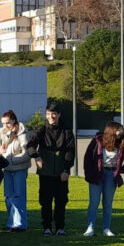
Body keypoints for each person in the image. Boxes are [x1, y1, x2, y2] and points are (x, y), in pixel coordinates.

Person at [27, 101, 75, 236]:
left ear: (58, 115)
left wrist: (66, 169)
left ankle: (60, 227)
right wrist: (36, 157)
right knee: (45, 200)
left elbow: (71, 151)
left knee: (61, 200)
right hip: (46, 172)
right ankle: (46, 227)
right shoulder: (41, 129)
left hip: (61, 172)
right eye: (48, 114)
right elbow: (30, 145)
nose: (51, 117)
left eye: (53, 114)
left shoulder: (66, 130)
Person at [82, 121, 124, 237]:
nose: (120, 132)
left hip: (111, 175)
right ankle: (90, 227)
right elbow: (87, 158)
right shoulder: (97, 140)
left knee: (108, 203)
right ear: (110, 130)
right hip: (96, 175)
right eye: (118, 130)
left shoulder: (123, 142)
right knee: (94, 202)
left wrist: (122, 169)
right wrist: (89, 173)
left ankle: (106, 228)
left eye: (121, 130)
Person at [0, 110, 30, 232]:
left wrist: (12, 160)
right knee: (8, 197)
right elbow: (2, 148)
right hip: (7, 169)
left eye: (8, 123)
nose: (5, 126)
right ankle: (11, 223)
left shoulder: (23, 133)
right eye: (3, 123)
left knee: (19, 196)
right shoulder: (3, 133)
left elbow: (27, 153)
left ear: (14, 121)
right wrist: (1, 152)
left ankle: (20, 224)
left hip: (19, 169)